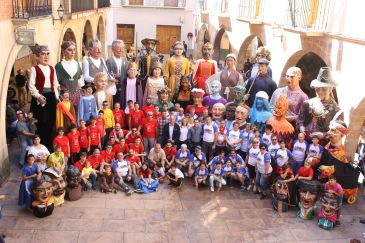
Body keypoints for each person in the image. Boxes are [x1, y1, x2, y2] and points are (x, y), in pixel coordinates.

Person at [29, 45, 60, 150]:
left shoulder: (52, 68)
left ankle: (49, 149)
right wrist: (38, 96)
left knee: (51, 123)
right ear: (37, 56)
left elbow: (55, 84)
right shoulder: (34, 69)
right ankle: (40, 148)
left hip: (51, 97)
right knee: (42, 124)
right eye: (43, 54)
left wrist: (57, 97)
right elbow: (31, 86)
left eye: (47, 53)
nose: (46, 56)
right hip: (40, 98)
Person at [55, 41, 84, 107]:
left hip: (77, 96)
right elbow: (56, 84)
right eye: (70, 50)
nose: (73, 52)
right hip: (64, 97)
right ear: (63, 51)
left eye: (74, 49)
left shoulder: (77, 64)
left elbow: (80, 81)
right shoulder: (59, 66)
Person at [106, 40, 128, 105]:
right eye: (119, 48)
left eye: (122, 48)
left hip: (123, 86)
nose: (121, 50)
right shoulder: (109, 61)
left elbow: (127, 72)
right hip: (113, 87)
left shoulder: (125, 60)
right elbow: (107, 73)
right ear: (113, 49)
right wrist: (112, 77)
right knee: (114, 102)